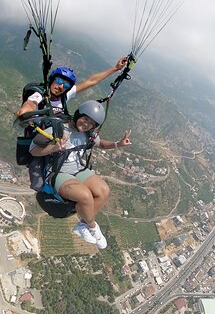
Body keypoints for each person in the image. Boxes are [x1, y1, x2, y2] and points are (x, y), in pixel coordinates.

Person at [29, 100, 132, 249]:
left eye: (91, 123)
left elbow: (101, 143)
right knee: (85, 196)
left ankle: (83, 224)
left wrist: (118, 144)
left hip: (79, 170)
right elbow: (33, 150)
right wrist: (53, 148)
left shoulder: (87, 134)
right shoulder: (58, 129)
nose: (86, 124)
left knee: (104, 191)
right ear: (79, 114)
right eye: (85, 119)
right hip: (59, 172)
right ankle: (91, 225)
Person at [15, 56, 129, 118]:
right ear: (52, 80)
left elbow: (91, 81)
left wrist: (115, 69)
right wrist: (26, 111)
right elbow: (31, 104)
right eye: (59, 80)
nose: (61, 86)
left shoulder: (65, 96)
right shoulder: (39, 94)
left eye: (66, 84)